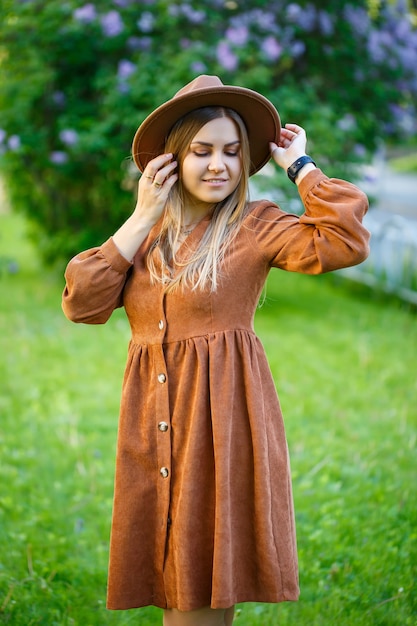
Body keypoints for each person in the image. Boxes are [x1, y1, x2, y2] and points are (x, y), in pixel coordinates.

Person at [62, 75, 370, 626]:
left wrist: (301, 166)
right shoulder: (146, 238)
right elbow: (82, 303)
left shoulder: (255, 226)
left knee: (200, 583)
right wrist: (140, 216)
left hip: (219, 427)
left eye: (232, 152)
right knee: (170, 581)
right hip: (151, 427)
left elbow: (342, 240)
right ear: (171, 161)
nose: (218, 165)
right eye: (201, 152)